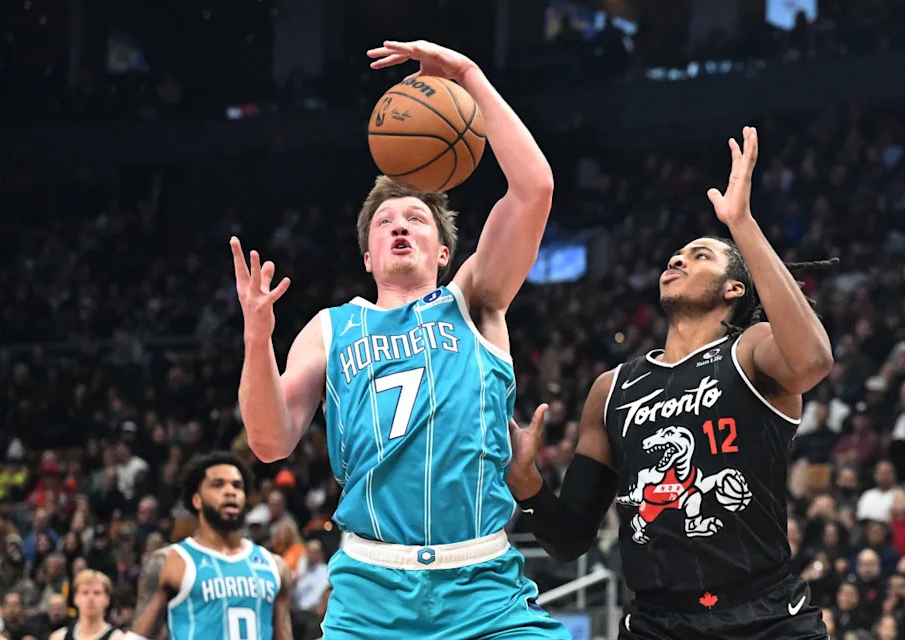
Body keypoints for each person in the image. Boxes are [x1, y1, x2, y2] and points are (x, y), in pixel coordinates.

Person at [231, 39, 567, 639]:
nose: (400, 226)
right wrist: (258, 339)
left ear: (443, 250)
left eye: (416, 218)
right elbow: (268, 440)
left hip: (483, 583)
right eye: (386, 222)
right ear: (368, 255)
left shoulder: (474, 299)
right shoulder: (332, 327)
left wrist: (468, 75)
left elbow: (534, 188)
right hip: (371, 592)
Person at [508, 127, 838, 639]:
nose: (678, 259)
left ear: (734, 287)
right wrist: (525, 480)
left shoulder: (751, 349)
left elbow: (814, 360)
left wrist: (742, 225)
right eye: (676, 256)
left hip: (765, 616)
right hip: (657, 623)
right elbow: (570, 538)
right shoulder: (612, 387)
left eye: (700, 255)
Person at [128, 452, 293, 640]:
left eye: (237, 486)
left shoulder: (275, 566)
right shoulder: (170, 562)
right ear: (197, 499)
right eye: (218, 485)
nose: (230, 491)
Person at [48, 570, 122, 640]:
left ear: (107, 599)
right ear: (76, 598)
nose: (91, 598)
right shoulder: (59, 637)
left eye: (97, 593)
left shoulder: (119, 638)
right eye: (85, 593)